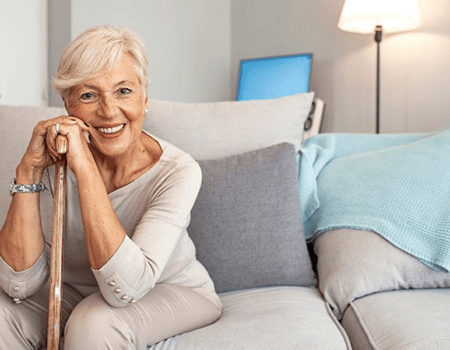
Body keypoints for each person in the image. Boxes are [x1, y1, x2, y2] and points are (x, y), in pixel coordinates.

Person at [0, 25, 222, 349]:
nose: (108, 111)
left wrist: (85, 167)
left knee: (93, 324)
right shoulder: (50, 161)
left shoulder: (178, 172)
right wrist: (28, 170)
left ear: (145, 98)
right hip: (74, 292)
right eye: (89, 95)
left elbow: (127, 289)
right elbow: (17, 284)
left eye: (123, 91)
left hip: (170, 289)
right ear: (67, 105)